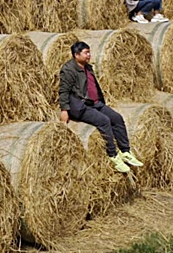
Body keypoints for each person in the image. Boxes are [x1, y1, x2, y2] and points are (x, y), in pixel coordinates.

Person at [58, 41, 143, 173]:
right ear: (76, 55)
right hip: (80, 106)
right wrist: (65, 110)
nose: (89, 55)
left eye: (89, 52)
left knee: (117, 118)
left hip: (95, 103)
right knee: (104, 121)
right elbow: (63, 91)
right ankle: (113, 155)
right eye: (86, 53)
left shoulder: (88, 67)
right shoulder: (68, 70)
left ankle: (125, 151)